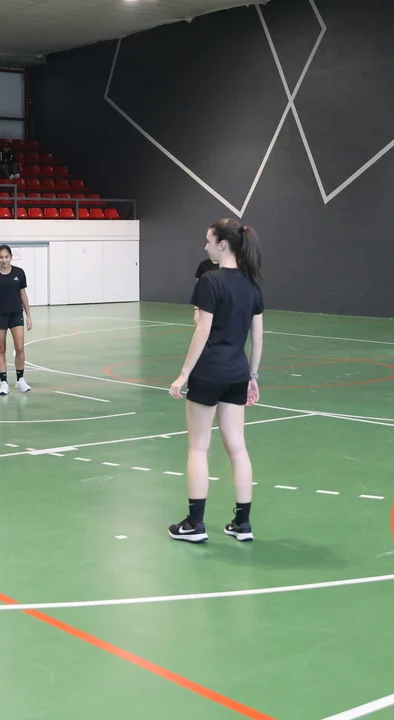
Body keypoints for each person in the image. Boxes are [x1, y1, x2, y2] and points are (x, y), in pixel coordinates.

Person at [167, 219, 264, 543]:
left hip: (208, 372)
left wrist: (184, 374)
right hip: (237, 374)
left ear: (222, 244)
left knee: (198, 447)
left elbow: (203, 329)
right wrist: (252, 376)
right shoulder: (252, 284)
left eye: (208, 240)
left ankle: (195, 524)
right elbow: (258, 337)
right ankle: (242, 524)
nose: (205, 246)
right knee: (238, 448)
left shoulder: (210, 281)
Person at [0, 245, 32, 395]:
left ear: (11, 256)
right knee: (0, 348)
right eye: (1, 257)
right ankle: (3, 382)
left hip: (16, 314)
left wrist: (28, 316)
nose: (4, 260)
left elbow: (23, 294)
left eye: (6, 257)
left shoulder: (19, 273)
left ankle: (20, 379)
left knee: (20, 347)